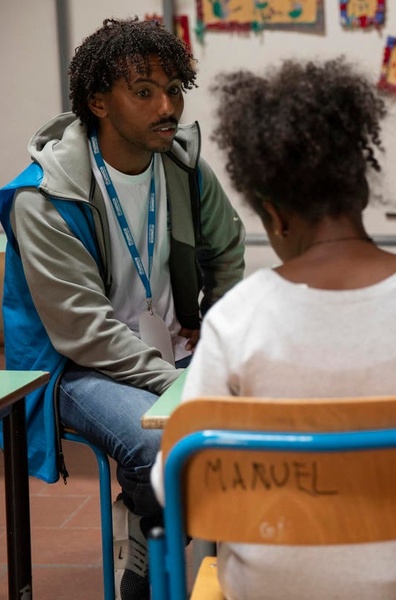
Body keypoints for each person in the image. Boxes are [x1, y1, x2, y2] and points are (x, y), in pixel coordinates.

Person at [150, 58, 396, 600]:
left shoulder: (236, 315)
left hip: (264, 587)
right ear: (360, 191)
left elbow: (176, 484)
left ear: (275, 215)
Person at [0, 17, 246, 600]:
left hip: (174, 347)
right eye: (144, 92)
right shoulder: (44, 196)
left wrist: (216, 332)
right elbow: (84, 333)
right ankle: (145, 559)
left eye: (174, 89)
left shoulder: (183, 168)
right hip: (75, 365)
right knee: (160, 442)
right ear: (98, 102)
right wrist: (180, 388)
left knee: (274, 404)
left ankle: (152, 515)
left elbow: (227, 252)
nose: (167, 106)